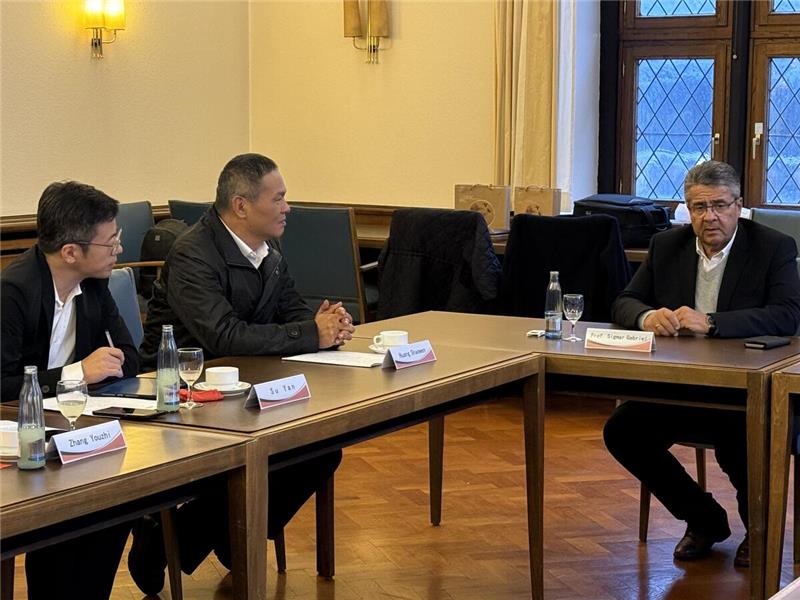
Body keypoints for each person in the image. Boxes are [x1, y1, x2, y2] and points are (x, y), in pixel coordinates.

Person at [131, 153, 352, 595]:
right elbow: (225, 336)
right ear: (241, 205)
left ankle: (206, 535)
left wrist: (327, 323)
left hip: (243, 386)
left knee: (322, 450)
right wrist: (310, 333)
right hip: (180, 391)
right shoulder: (193, 254)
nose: (288, 207)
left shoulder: (269, 250)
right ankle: (173, 540)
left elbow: (291, 312)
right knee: (250, 460)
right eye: (280, 197)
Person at [604, 160, 800, 568]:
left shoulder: (773, 246)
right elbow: (624, 301)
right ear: (687, 210)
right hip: (683, 385)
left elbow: (786, 314)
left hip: (750, 391)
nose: (709, 216)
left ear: (739, 206)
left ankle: (759, 532)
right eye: (698, 207)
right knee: (623, 430)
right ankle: (704, 519)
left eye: (719, 205)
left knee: (742, 435)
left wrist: (710, 322)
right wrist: (646, 317)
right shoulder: (667, 245)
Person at [1, 181, 139, 599]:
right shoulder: (13, 292)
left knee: (123, 497)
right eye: (110, 240)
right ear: (71, 252)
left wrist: (96, 370)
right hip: (18, 438)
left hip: (74, 427)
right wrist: (77, 372)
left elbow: (130, 357)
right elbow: (1, 385)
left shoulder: (95, 284)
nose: (118, 249)